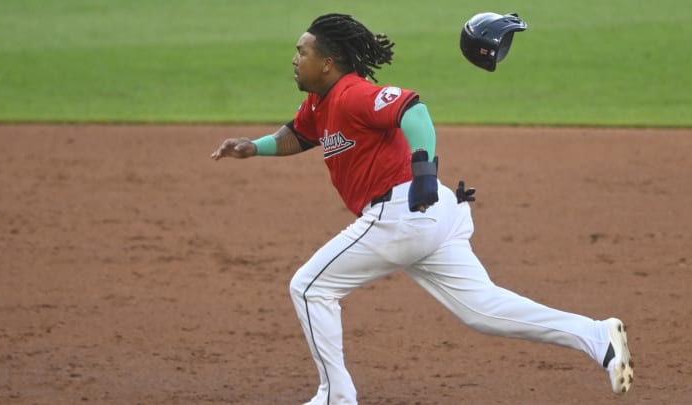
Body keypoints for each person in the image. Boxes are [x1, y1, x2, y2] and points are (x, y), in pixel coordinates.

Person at [211, 13, 634, 405]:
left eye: (302, 52)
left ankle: (335, 396)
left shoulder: (353, 94)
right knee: (482, 309)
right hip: (432, 218)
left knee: (310, 287)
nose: (294, 59)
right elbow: (299, 135)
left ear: (328, 62)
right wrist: (255, 147)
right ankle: (597, 337)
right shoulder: (321, 104)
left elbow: (413, 110)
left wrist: (424, 172)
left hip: (406, 210)